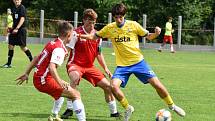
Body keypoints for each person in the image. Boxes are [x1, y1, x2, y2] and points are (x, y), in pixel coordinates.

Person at [79, 3, 185, 121]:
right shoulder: (110, 28)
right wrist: (79, 35)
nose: (118, 20)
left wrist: (156, 33)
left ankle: (172, 106)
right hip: (122, 66)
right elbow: (93, 36)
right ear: (113, 17)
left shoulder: (133, 25)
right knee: (113, 86)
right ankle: (128, 107)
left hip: (139, 62)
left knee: (158, 85)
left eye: (121, 17)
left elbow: (148, 36)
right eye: (116, 17)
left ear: (124, 15)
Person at [15, 21, 86, 121]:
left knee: (60, 95)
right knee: (76, 94)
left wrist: (27, 73)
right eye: (72, 34)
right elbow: (52, 68)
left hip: (40, 78)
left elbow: (36, 58)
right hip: (44, 80)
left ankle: (53, 115)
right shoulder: (59, 49)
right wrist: (60, 81)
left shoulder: (52, 43)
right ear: (69, 34)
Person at [59, 9, 120, 119]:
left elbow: (99, 54)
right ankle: (69, 109)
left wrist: (105, 68)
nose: (91, 24)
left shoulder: (98, 36)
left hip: (89, 67)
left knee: (107, 86)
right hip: (75, 65)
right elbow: (68, 49)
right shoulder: (76, 33)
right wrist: (60, 59)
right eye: (88, 21)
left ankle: (114, 112)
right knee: (75, 78)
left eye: (93, 21)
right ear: (83, 20)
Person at [1, 0, 33, 68]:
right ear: (13, 1)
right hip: (13, 29)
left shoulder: (22, 8)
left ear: (21, 0)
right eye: (15, 0)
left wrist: (17, 28)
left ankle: (33, 62)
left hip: (21, 30)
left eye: (18, 0)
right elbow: (12, 20)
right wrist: (9, 27)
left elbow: (22, 19)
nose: (17, 1)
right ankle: (8, 64)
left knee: (23, 47)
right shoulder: (13, 8)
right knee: (10, 45)